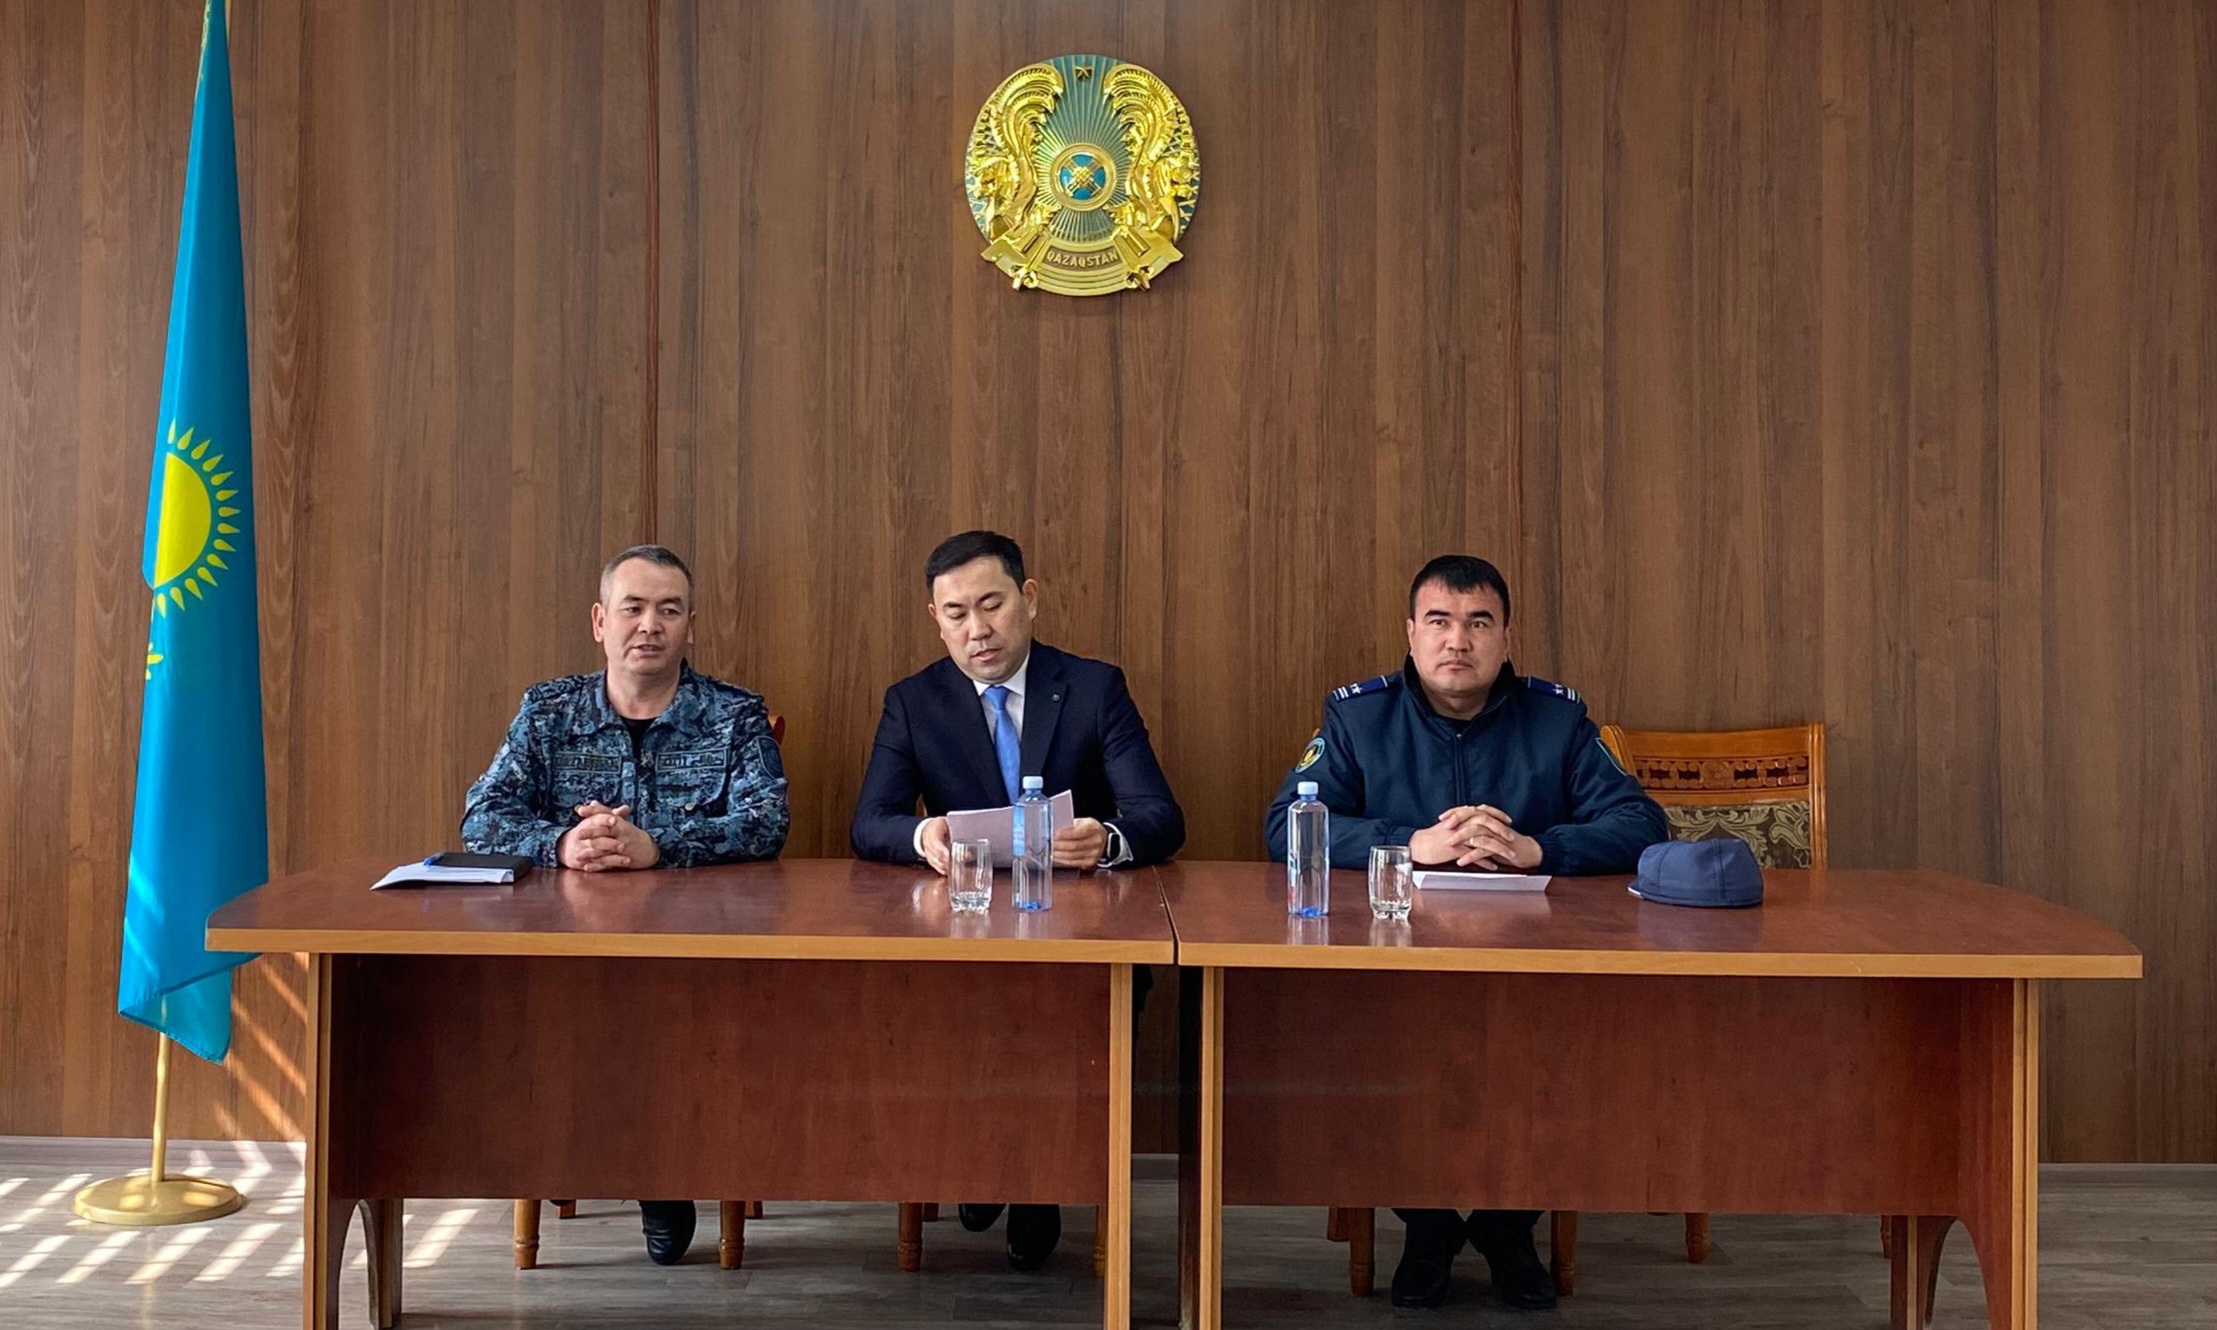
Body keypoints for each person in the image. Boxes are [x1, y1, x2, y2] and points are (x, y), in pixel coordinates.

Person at [1264, 554, 1667, 1313]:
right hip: (1393, 959)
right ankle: (1427, 1228)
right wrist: (1408, 843)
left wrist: (1538, 848)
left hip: (1537, 962)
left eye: (1479, 623)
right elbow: (1286, 825)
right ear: (1411, 634)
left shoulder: (1555, 720)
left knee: (1579, 1055)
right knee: (1363, 1050)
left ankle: (1508, 1227)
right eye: (1440, 622)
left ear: (1506, 637)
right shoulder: (1359, 717)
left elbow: (1641, 822)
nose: (1458, 641)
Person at [851, 529, 1184, 1268]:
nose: (978, 629)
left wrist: (1108, 839)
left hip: (1079, 928)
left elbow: (1161, 816)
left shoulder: (1093, 688)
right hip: (964, 924)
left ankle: (1038, 1189)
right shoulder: (914, 702)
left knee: (1070, 1025)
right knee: (948, 1016)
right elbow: (869, 821)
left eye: (992, 604)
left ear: (1028, 599)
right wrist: (924, 835)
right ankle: (981, 1160)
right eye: (956, 613)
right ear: (936, 621)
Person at [462, 544, 789, 1265]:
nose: (650, 625)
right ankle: (599, 1154)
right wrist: (562, 843)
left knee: (658, 1017)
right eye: (633, 608)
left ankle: (657, 1174)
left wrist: (657, 846)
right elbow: (482, 816)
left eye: (669, 610)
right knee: (559, 1020)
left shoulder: (734, 715)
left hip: (698, 950)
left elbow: (767, 822)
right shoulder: (549, 712)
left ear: (690, 626)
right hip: (567, 947)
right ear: (599, 621)